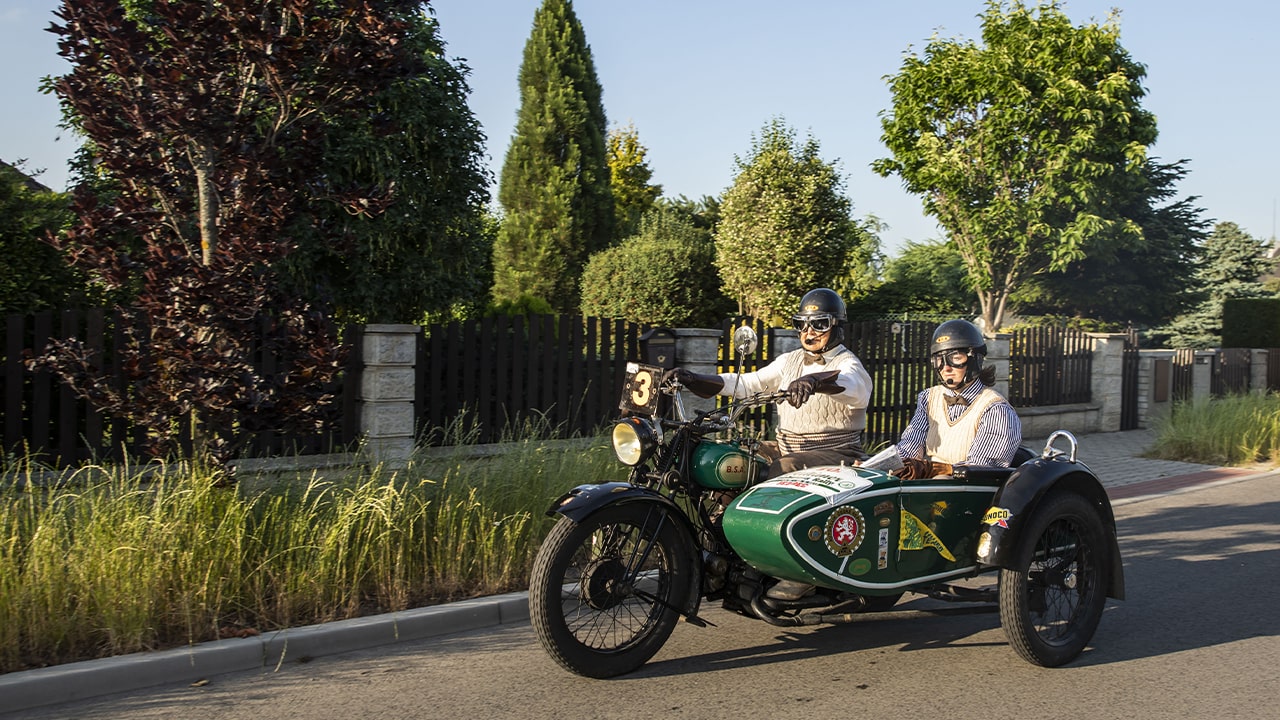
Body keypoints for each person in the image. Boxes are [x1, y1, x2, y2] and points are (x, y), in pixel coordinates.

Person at [672, 288, 874, 476]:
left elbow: (852, 387)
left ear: (837, 326)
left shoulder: (850, 365)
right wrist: (694, 378)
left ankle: (761, 515)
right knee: (731, 457)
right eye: (801, 324)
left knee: (785, 466)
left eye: (819, 324)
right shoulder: (789, 360)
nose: (808, 331)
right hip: (786, 446)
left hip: (838, 453)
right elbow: (748, 384)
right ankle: (722, 512)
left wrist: (815, 381)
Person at [890, 319, 1022, 480]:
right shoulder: (928, 398)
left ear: (975, 359)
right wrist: (881, 465)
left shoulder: (995, 408)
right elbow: (909, 447)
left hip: (965, 491)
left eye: (956, 358)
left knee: (941, 479)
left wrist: (933, 469)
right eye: (939, 359)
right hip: (927, 486)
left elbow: (981, 468)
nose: (945, 368)